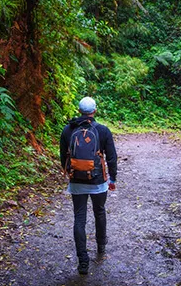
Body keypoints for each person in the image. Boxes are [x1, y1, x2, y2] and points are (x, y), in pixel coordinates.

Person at [60, 96, 117, 275]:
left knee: (79, 218)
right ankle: (101, 245)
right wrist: (112, 179)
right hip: (98, 181)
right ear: (95, 111)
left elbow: (64, 157)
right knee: (99, 211)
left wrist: (70, 173)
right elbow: (112, 157)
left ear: (79, 111)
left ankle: (83, 261)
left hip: (77, 181)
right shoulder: (102, 130)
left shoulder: (68, 130)